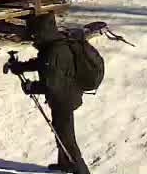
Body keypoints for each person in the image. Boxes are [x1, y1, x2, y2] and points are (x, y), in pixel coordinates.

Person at [16, 13, 93, 174]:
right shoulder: (53, 46)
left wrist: (32, 87)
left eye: (35, 36)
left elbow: (51, 85)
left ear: (42, 33)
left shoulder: (54, 52)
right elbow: (42, 64)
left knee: (66, 137)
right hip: (63, 96)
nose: (33, 40)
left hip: (64, 99)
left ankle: (81, 171)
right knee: (59, 130)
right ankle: (64, 163)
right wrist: (21, 67)